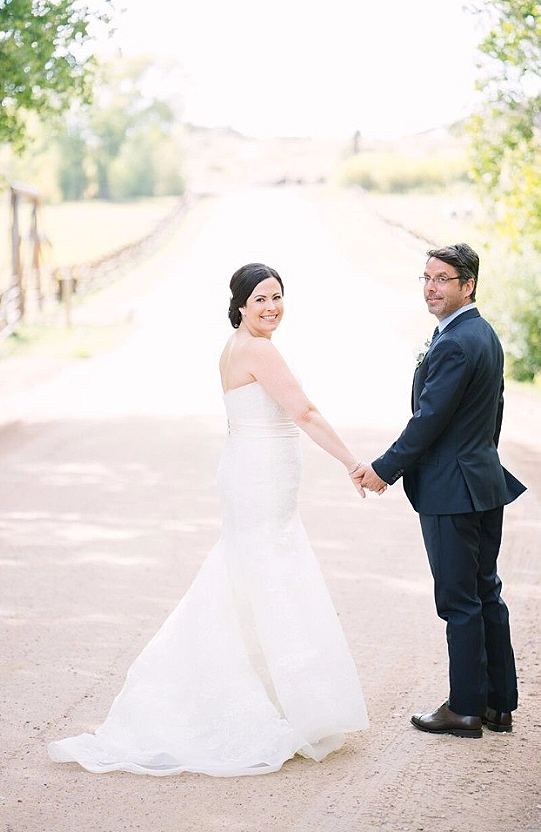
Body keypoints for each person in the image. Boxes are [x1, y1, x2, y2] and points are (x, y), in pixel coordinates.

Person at [48, 262, 370, 777]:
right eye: (260, 298)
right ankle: (267, 701)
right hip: (259, 477)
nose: (271, 307)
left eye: (277, 296)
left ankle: (274, 695)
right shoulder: (258, 350)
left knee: (254, 575)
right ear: (240, 305)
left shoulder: (234, 346)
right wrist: (352, 463)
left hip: (251, 471)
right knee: (267, 574)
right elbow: (304, 412)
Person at [354, 243, 526, 738]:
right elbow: (493, 411)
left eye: (442, 279)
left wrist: (384, 469)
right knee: (485, 591)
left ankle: (465, 708)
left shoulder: (454, 342)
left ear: (467, 285)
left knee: (459, 600)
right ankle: (497, 704)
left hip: (453, 490)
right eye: (426, 277)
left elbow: (428, 419)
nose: (430, 287)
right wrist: (478, 457)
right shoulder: (482, 333)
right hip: (482, 481)